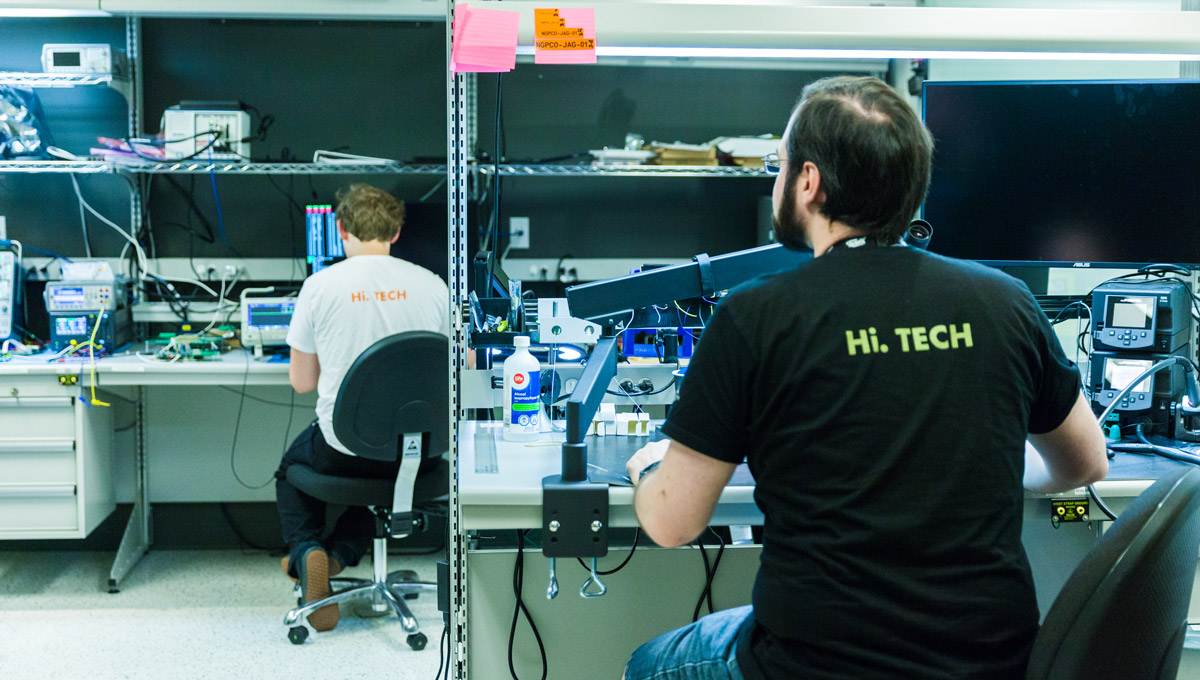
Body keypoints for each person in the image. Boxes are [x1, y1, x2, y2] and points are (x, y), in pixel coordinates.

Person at [623, 76, 1108, 680]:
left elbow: (673, 524)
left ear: (808, 182)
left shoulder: (755, 315)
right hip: (989, 665)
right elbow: (1086, 463)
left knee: (649, 664)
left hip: (815, 666)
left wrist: (649, 472)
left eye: (779, 166)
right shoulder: (1005, 302)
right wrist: (1005, 469)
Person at [275, 183, 449, 632]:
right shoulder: (433, 285)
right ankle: (337, 557)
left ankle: (308, 551)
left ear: (340, 229)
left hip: (347, 450)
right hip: (422, 454)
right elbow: (460, 369)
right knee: (379, 485)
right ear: (395, 233)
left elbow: (302, 383)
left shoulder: (320, 286)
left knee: (292, 470)